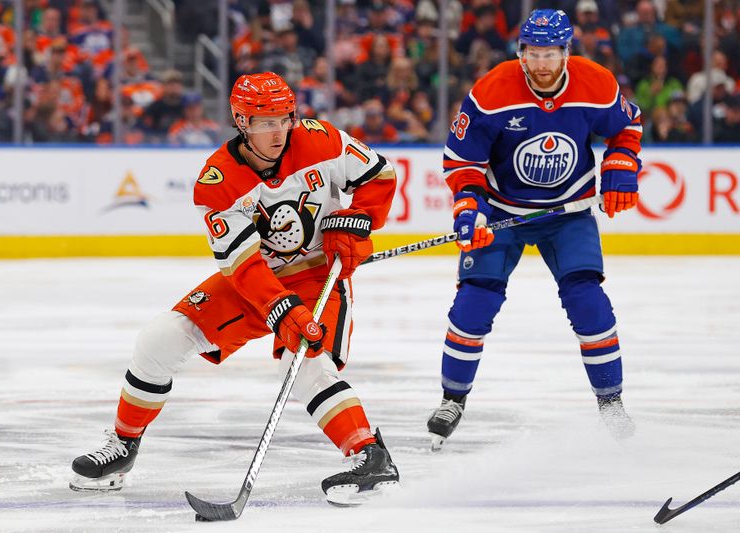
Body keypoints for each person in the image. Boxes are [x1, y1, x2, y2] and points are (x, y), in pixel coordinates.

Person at [70, 72, 400, 505]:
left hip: (318, 274)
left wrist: (355, 224)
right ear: (242, 122)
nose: (278, 131)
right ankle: (123, 445)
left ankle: (370, 456)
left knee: (304, 363)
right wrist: (284, 310)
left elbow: (380, 175)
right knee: (160, 339)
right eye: (265, 123)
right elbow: (242, 265)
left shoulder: (322, 141)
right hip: (255, 282)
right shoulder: (217, 180)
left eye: (284, 118)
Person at [427, 9, 642, 450]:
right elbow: (462, 160)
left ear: (566, 53)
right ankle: (453, 399)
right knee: (473, 302)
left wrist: (621, 166)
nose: (541, 63)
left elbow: (626, 127)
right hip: (503, 212)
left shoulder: (596, 84)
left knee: (589, 302)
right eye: (533, 53)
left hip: (567, 214)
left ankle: (611, 403)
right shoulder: (492, 91)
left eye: (550, 53)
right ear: (520, 53)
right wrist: (471, 208)